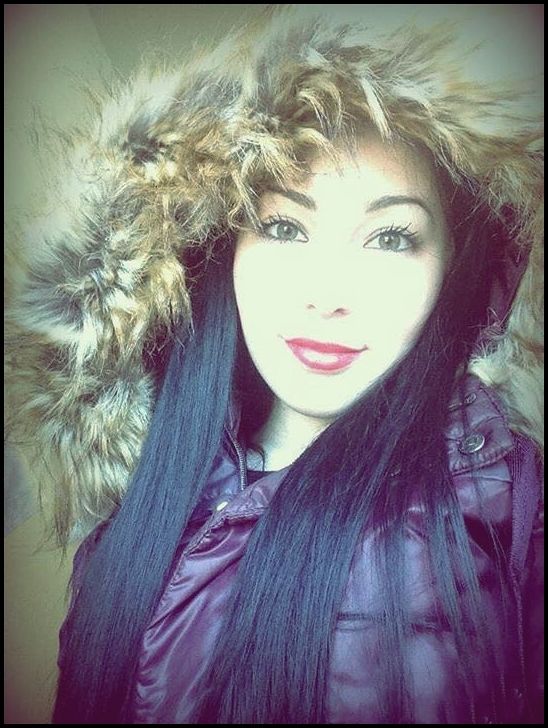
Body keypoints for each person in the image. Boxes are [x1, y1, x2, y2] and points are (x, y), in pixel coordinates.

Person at [4, 5, 543, 724]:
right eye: (284, 226)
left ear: (453, 267)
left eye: (390, 237)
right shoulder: (141, 487)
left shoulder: (508, 506)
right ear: (218, 249)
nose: (327, 295)